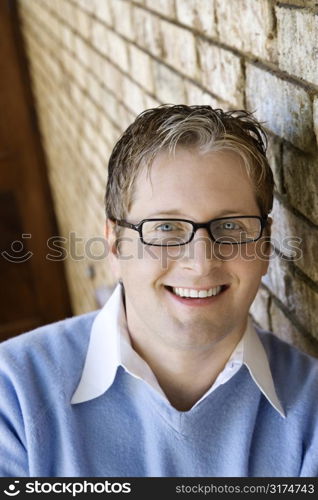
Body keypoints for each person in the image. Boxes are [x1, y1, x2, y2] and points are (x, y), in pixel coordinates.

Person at [1, 105, 317, 477]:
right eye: (165, 227)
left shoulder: (311, 411)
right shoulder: (13, 396)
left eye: (231, 225)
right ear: (115, 245)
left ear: (265, 246)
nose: (200, 263)